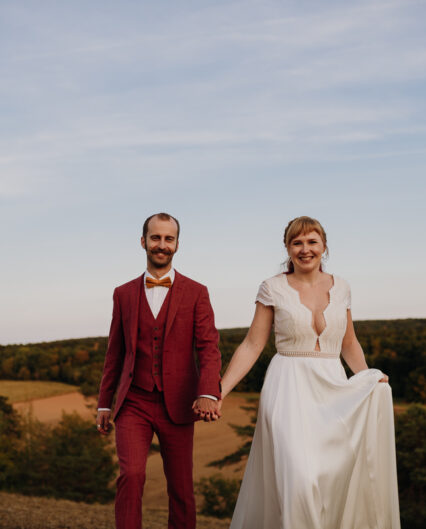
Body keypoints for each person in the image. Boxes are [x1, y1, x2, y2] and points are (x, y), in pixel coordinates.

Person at [220, 216, 401, 529]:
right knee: (298, 478)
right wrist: (218, 391)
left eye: (311, 241)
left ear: (324, 246)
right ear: (288, 249)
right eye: (297, 242)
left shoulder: (341, 287)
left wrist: (368, 376)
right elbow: (252, 345)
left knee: (331, 478)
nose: (305, 249)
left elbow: (349, 343)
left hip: (333, 390)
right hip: (287, 388)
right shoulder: (271, 288)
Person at [95, 212, 222, 529]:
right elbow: (115, 351)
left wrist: (207, 392)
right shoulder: (122, 294)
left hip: (178, 403)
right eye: (155, 238)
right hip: (133, 401)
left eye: (168, 238)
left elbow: (208, 347)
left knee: (180, 488)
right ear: (143, 241)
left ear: (177, 244)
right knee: (132, 474)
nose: (161, 245)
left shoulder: (197, 292)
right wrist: (104, 402)